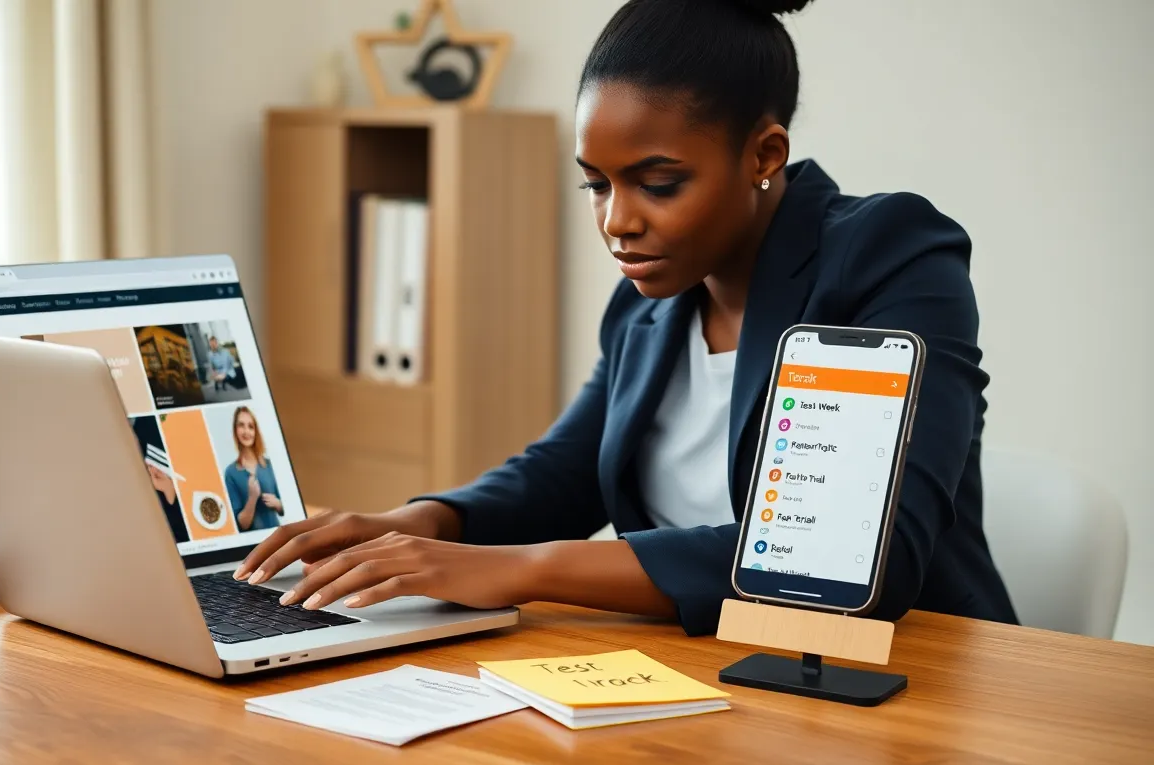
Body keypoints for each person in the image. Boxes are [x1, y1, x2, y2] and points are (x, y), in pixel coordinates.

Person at [232, 0, 1018, 633]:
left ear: (764, 156)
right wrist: (416, 523)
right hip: (704, 676)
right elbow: (565, 472)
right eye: (597, 185)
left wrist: (523, 569)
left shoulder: (888, 257)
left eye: (658, 182)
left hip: (897, 684)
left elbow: (846, 561)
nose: (616, 221)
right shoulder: (649, 306)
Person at [224, 406, 283, 531]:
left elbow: (285, 508)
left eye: (250, 426)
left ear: (256, 431)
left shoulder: (270, 465)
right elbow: (242, 525)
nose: (246, 431)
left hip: (278, 538)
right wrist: (252, 498)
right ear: (235, 430)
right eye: (241, 425)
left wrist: (278, 503)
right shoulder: (231, 473)